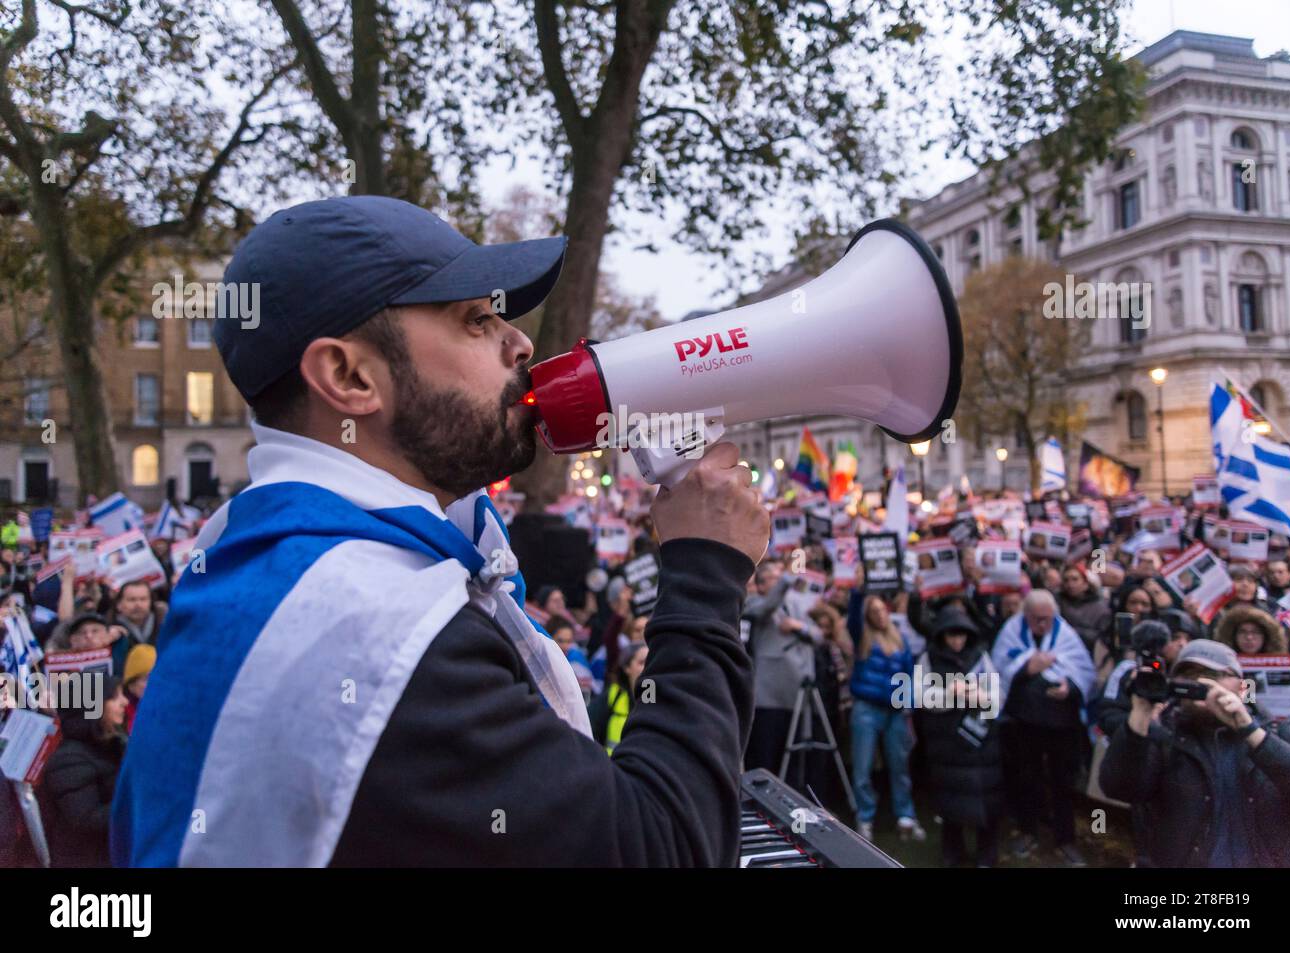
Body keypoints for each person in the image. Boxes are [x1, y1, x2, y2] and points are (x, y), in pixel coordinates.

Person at [112, 196, 771, 867]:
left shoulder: (275, 559)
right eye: (477, 318)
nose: (520, 342)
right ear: (348, 376)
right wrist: (706, 570)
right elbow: (664, 847)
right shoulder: (372, 627)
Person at [1099, 640, 1290, 867]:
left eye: (1214, 674)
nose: (1202, 682)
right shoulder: (1163, 736)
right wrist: (1139, 717)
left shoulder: (1279, 731)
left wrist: (1250, 730)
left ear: (1243, 687)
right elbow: (1118, 787)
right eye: (1188, 675)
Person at [992, 589, 1095, 866]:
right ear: (1026, 616)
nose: (1043, 625)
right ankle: (1028, 831)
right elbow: (1000, 671)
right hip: (1025, 723)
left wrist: (1070, 688)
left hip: (1062, 725)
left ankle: (1065, 839)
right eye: (1037, 619)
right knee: (1028, 778)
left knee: (1062, 782)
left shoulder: (1065, 634)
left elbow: (1083, 671)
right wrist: (1027, 669)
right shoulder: (1011, 632)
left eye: (1048, 619)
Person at [915, 604, 1001, 867]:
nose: (957, 641)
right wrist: (949, 695)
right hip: (946, 742)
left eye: (961, 635)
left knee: (987, 799)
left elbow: (997, 695)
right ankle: (952, 851)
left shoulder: (981, 656)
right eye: (952, 635)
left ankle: (987, 853)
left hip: (980, 740)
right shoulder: (928, 659)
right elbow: (919, 696)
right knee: (950, 801)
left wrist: (981, 697)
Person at [847, 594, 923, 842]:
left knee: (899, 765)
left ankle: (905, 815)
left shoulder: (900, 638)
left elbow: (909, 675)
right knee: (863, 767)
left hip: (895, 711)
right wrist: (857, 592)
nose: (880, 615)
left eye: (883, 610)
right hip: (867, 708)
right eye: (874, 611)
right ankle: (865, 816)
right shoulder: (862, 638)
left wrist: (908, 707)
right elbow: (853, 618)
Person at [743, 560, 823, 780]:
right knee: (766, 759)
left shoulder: (797, 606)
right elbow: (767, 606)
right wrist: (788, 576)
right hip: (769, 698)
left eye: (781, 578)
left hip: (798, 695)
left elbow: (818, 635)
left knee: (796, 761)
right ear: (760, 585)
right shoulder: (752, 603)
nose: (781, 583)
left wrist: (800, 627)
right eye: (775, 579)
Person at [41, 677, 129, 867]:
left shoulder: (111, 744)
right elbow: (85, 820)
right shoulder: (67, 760)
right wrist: (136, 806)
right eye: (114, 697)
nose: (125, 701)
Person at [589, 641, 648, 754]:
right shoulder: (613, 695)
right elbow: (590, 730)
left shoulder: (656, 696)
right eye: (641, 663)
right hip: (614, 767)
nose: (647, 667)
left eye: (649, 662)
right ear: (627, 668)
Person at [1057, 564, 1110, 652]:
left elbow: (1102, 637)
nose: (1070, 584)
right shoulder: (1057, 602)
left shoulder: (1100, 608)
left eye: (1075, 579)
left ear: (1085, 583)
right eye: (1066, 580)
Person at [1213, 605, 1286, 657]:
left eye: (1256, 632)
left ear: (1266, 636)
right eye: (1242, 632)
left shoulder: (1280, 666)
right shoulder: (1220, 666)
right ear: (1233, 636)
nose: (1249, 637)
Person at [122, 643, 157, 733]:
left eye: (157, 677)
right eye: (146, 679)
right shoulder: (121, 714)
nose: (153, 683)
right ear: (131, 685)